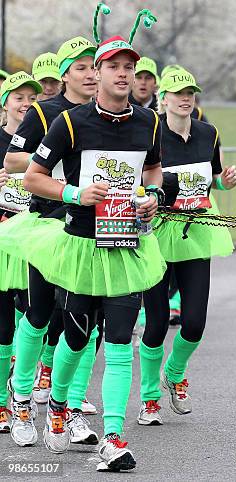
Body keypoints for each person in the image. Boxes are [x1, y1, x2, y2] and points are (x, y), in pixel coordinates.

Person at [19, 5, 165, 471]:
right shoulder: (70, 122)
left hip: (127, 244)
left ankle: (115, 437)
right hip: (81, 245)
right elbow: (33, 179)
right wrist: (76, 192)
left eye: (130, 68)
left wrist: (153, 196)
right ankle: (58, 404)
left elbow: (154, 170)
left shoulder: (148, 122)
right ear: (97, 73)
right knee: (77, 339)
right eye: (114, 67)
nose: (124, 75)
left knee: (120, 342)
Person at [3, 35, 100, 449]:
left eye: (94, 66)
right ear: (64, 76)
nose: (91, 74)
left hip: (97, 227)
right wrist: (56, 156)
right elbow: (12, 159)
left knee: (84, 320)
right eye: (81, 67)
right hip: (48, 222)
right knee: (41, 314)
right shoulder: (45, 112)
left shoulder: (110, 114)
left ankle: (71, 407)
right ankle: (21, 398)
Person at [137, 68, 236, 425]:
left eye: (190, 91)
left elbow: (212, 180)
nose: (185, 97)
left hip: (196, 231)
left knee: (194, 323)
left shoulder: (208, 132)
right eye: (178, 92)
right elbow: (138, 179)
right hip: (158, 232)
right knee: (156, 321)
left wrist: (224, 183)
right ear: (163, 99)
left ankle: (174, 371)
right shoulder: (150, 130)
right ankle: (149, 397)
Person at [0, 72, 41, 433]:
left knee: (35, 314)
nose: (26, 103)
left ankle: (25, 385)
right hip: (1, 243)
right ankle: (1, 402)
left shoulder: (43, 140)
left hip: (31, 239)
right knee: (0, 325)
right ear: (5, 103)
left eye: (32, 97)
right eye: (18, 97)